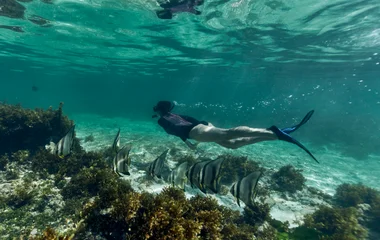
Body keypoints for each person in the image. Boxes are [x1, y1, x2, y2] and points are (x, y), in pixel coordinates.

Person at [152, 101, 318, 163]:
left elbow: (175, 129)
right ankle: (275, 136)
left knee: (228, 134)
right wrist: (189, 141)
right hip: (200, 127)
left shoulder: (162, 120)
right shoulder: (175, 114)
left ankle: (272, 132)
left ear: (159, 110)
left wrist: (188, 141)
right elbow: (186, 122)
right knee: (232, 145)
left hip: (196, 132)